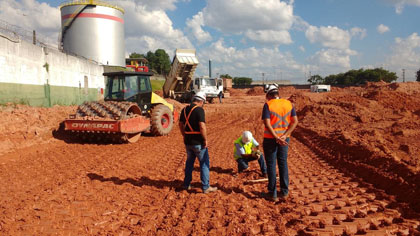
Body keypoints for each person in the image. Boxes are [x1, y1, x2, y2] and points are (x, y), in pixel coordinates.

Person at [261, 84, 298, 202]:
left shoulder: (268, 105)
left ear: (269, 95)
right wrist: (285, 136)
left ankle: (273, 194)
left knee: (271, 165)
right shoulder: (289, 104)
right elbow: (295, 122)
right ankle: (284, 191)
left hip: (270, 139)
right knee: (283, 163)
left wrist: (276, 136)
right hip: (284, 139)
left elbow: (267, 123)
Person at [179, 91, 218, 194]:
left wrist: (184, 135)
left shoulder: (184, 110)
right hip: (198, 142)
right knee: (204, 163)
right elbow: (202, 126)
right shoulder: (199, 110)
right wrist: (205, 139)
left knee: (189, 163)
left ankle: (186, 184)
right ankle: (206, 187)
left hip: (188, 142)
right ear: (201, 101)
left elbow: (180, 125)